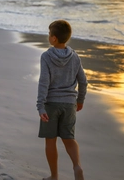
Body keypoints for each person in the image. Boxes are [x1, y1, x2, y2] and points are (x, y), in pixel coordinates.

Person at [37, 20, 88, 180]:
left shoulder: (46, 56)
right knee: (69, 138)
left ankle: (54, 176)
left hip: (51, 104)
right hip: (69, 104)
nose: (48, 36)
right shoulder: (75, 57)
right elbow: (83, 81)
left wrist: (40, 106)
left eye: (49, 33)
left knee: (50, 141)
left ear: (53, 38)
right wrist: (80, 100)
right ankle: (77, 166)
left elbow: (44, 82)